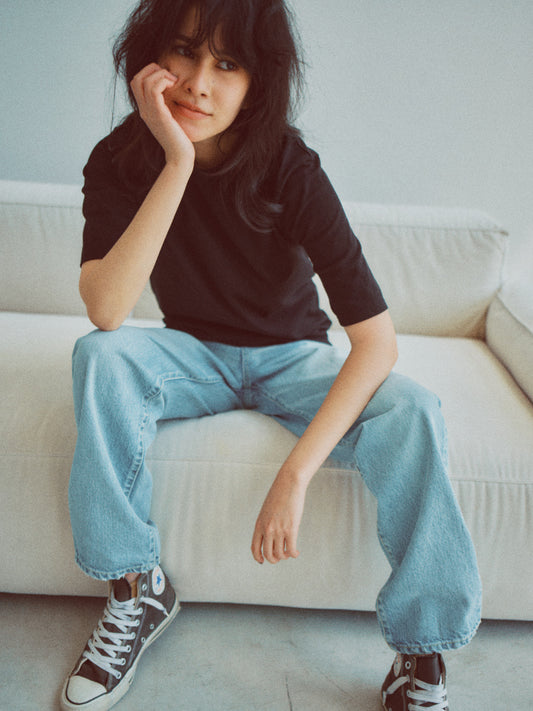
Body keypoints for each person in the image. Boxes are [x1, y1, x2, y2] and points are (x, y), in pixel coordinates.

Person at [60, 1, 482, 709]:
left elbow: (376, 340)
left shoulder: (288, 165)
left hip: (292, 357)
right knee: (99, 356)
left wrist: (296, 473)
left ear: (259, 81)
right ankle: (137, 588)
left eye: (227, 64)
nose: (198, 83)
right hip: (191, 353)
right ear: (150, 56)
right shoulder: (119, 159)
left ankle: (422, 650)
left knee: (412, 408)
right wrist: (176, 160)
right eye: (185, 52)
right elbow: (106, 309)